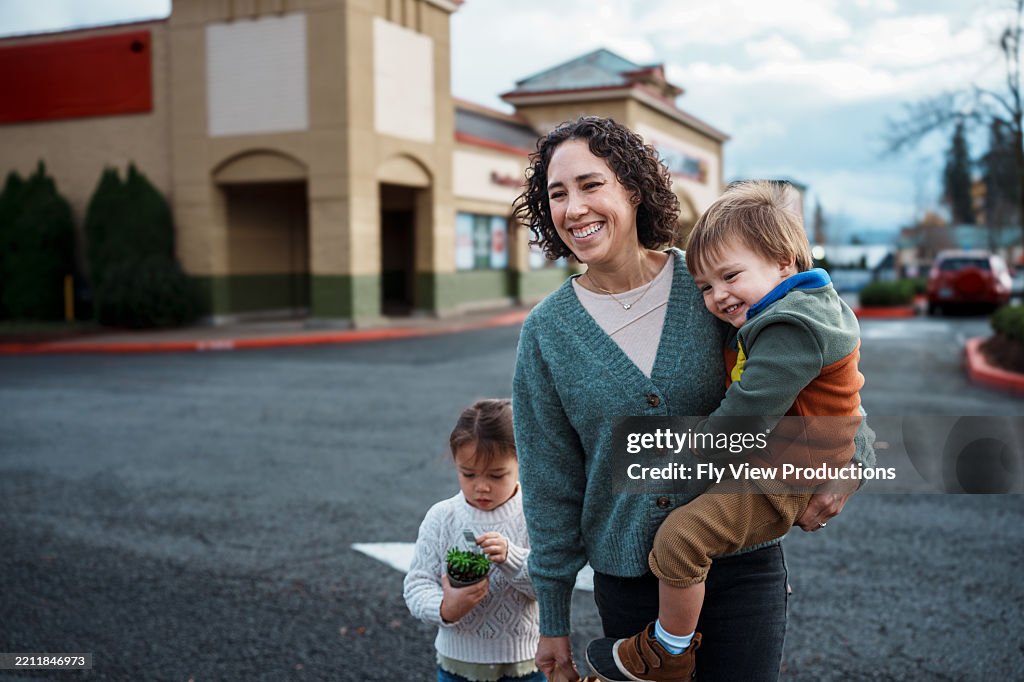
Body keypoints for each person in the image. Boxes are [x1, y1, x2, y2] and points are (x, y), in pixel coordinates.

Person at [510, 116, 874, 682]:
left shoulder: (714, 286)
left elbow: (820, 367)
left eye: (590, 184)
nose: (574, 207)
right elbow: (549, 480)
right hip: (629, 583)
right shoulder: (547, 333)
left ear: (631, 188)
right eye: (557, 194)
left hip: (740, 568)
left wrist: (855, 461)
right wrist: (552, 617)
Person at [585, 180, 865, 681]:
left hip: (783, 471)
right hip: (776, 464)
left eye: (730, 276)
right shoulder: (772, 307)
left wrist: (852, 460)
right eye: (706, 288)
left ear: (784, 263)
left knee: (681, 538)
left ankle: (667, 654)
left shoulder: (788, 325)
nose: (718, 296)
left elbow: (745, 417)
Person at [403, 399, 544, 682]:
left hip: (527, 663)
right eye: (468, 474)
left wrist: (511, 558)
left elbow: (550, 587)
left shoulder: (535, 516)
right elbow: (416, 584)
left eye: (496, 475)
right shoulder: (443, 517)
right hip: (459, 663)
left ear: (522, 463)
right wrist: (445, 607)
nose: (481, 486)